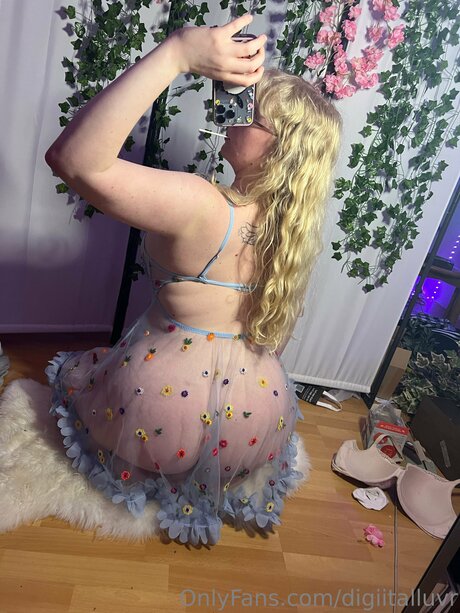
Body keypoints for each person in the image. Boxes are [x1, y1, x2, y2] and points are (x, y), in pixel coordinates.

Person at [44, 14, 342, 546]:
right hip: (255, 416)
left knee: (79, 378)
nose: (234, 115)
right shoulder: (291, 230)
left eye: (252, 114)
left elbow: (73, 160)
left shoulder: (203, 204)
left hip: (161, 409)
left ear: (277, 149)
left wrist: (177, 53)